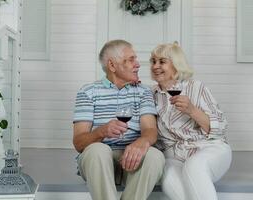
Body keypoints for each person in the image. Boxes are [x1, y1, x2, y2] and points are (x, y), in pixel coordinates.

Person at [73, 39, 165, 200]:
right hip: (98, 164)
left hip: (132, 161)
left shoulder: (143, 92)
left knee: (155, 156)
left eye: (135, 59)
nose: (137, 64)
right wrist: (101, 131)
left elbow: (150, 130)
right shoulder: (88, 92)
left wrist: (140, 142)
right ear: (112, 65)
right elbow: (79, 143)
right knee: (97, 150)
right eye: (130, 60)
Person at [150, 43, 232, 200]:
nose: (155, 66)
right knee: (168, 180)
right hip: (174, 156)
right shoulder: (151, 94)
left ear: (176, 64)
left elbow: (221, 128)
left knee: (194, 166)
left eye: (162, 61)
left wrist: (192, 110)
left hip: (208, 148)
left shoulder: (196, 87)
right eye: (153, 61)